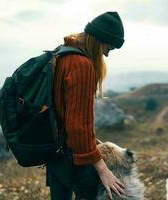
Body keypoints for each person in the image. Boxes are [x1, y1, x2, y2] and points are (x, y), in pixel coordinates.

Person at [46, 11, 126, 200]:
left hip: (55, 150)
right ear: (99, 40)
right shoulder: (81, 64)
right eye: (109, 47)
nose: (107, 53)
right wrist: (102, 169)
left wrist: (92, 139)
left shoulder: (62, 53)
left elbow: (65, 112)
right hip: (73, 157)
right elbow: (77, 125)